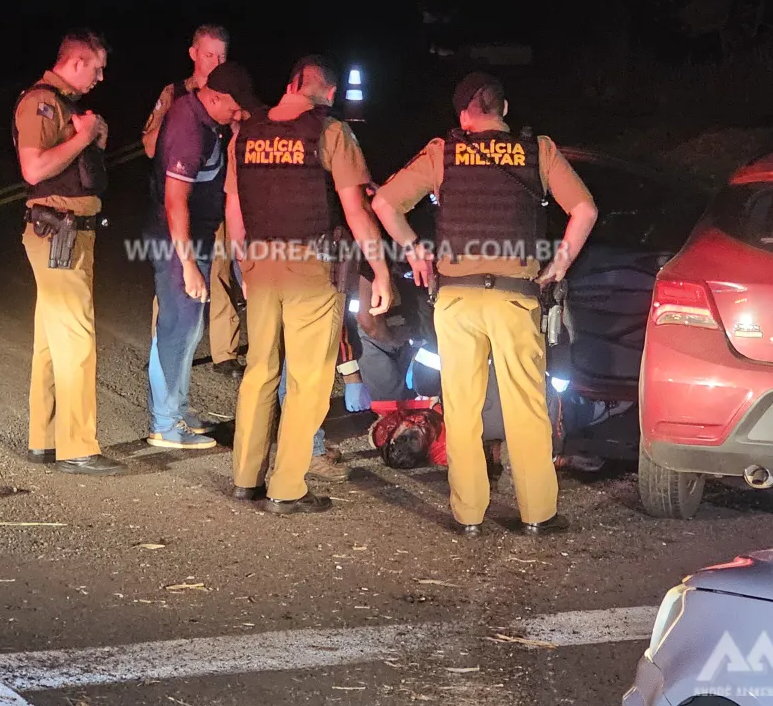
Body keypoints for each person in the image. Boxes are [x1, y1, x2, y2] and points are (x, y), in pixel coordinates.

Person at [373, 71, 598, 537]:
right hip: (515, 299)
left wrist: (416, 250)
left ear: (462, 115)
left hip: (456, 299)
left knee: (461, 407)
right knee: (527, 409)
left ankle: (469, 514)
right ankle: (537, 514)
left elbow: (386, 204)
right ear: (505, 110)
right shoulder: (539, 151)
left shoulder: (443, 153)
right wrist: (558, 265)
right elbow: (585, 210)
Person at [226, 55, 393, 515]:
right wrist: (379, 270)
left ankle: (245, 478)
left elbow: (235, 209)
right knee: (308, 380)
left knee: (260, 370)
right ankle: (287, 487)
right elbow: (356, 210)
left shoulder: (245, 133)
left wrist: (242, 263)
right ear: (330, 92)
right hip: (309, 267)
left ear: (292, 81)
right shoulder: (330, 133)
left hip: (259, 263)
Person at [13, 29, 125, 476]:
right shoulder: (41, 103)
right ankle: (77, 446)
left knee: (49, 342)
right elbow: (35, 167)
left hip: (68, 233)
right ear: (76, 62)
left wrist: (92, 139)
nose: (100, 77)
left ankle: (44, 439)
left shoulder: (66, 106)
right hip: (58, 233)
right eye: (96, 68)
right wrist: (82, 138)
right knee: (76, 341)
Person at [144, 61, 262, 449]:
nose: (239, 113)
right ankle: (164, 424)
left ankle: (176, 408)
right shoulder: (188, 128)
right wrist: (189, 265)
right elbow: (175, 201)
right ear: (213, 96)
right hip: (177, 240)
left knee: (191, 327)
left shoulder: (209, 122)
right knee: (177, 328)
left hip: (197, 238)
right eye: (235, 105)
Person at [142, 25, 244, 378]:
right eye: (208, 54)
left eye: (221, 56)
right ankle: (163, 348)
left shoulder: (231, 92)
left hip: (218, 198)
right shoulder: (175, 94)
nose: (215, 62)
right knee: (174, 279)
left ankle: (225, 352)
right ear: (193, 54)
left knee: (221, 274)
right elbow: (151, 145)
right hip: (183, 201)